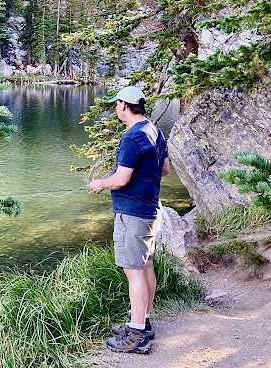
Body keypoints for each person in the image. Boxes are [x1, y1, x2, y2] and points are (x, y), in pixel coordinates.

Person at [88, 85, 170, 354]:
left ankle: (136, 336)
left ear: (124, 105)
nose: (115, 108)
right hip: (150, 209)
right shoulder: (155, 131)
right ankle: (142, 323)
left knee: (133, 271)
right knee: (145, 266)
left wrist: (101, 183)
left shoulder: (132, 136)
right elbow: (165, 169)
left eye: (116, 104)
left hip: (133, 214)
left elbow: (121, 179)